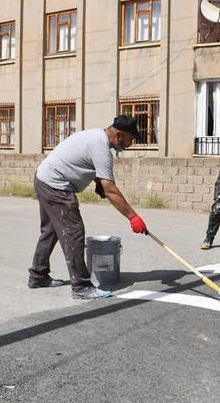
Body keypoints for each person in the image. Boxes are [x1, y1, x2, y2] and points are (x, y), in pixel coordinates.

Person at [29, 115, 148, 300]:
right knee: (73, 231)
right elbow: (111, 191)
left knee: (51, 230)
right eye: (130, 139)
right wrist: (133, 217)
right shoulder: (101, 148)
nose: (130, 144)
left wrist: (98, 183)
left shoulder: (95, 136)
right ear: (118, 135)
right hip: (56, 185)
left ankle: (38, 275)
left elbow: (84, 162)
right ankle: (81, 286)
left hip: (44, 178)